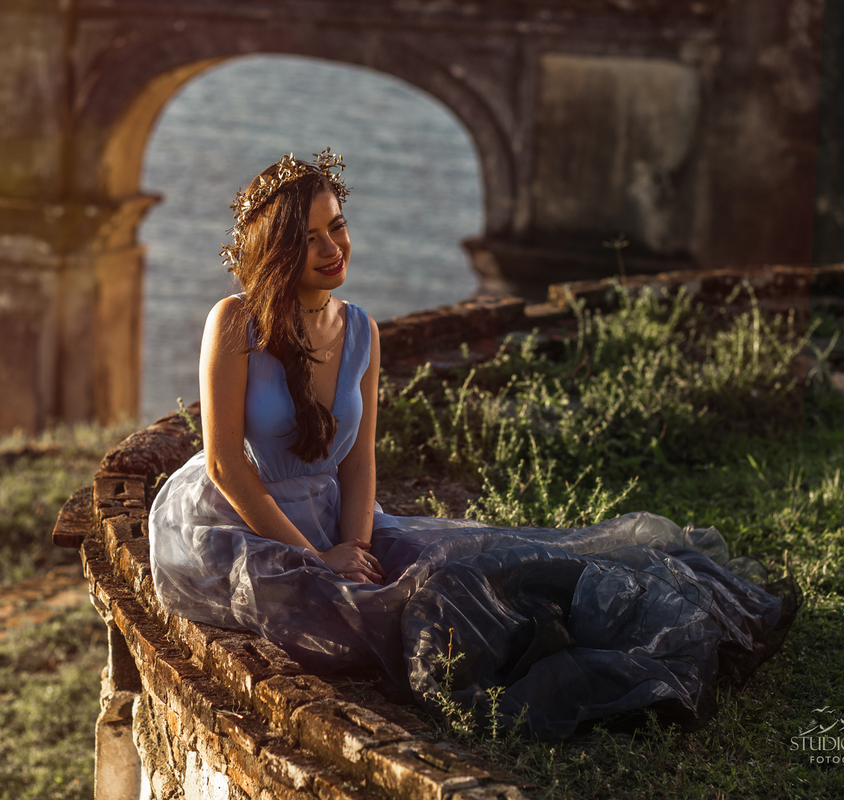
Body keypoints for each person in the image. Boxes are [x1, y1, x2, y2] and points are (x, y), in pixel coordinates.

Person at [148, 150, 795, 740]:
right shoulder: (234, 321)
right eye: (308, 237)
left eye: (337, 226)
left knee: (481, 557)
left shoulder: (360, 331)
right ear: (275, 248)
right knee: (405, 610)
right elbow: (230, 463)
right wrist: (319, 559)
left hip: (337, 515)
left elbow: (357, 459)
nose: (331, 247)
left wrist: (359, 548)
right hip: (243, 524)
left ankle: (628, 615)